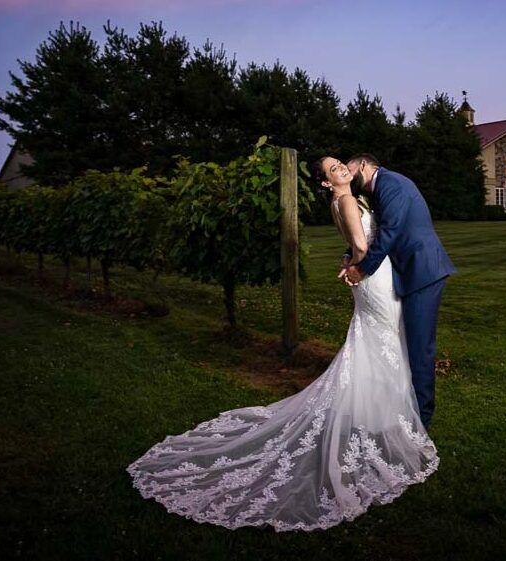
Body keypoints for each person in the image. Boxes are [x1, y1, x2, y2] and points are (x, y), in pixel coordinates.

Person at [126, 156, 438, 532]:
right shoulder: (349, 201)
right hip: (376, 280)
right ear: (326, 183)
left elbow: (355, 242)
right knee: (386, 342)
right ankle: (395, 420)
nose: (340, 168)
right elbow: (360, 243)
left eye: (340, 163)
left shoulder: (341, 202)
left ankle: (381, 415)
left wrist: (350, 260)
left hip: (372, 281)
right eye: (332, 169)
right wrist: (357, 265)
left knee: (377, 344)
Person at [340, 154, 456, 429]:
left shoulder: (391, 184)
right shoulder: (379, 190)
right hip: (410, 271)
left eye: (349, 167)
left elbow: (389, 233)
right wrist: (349, 256)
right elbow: (374, 232)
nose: (347, 172)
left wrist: (362, 269)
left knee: (420, 348)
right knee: (408, 343)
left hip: (423, 272)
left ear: (365, 165)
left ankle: (422, 421)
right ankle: (406, 408)